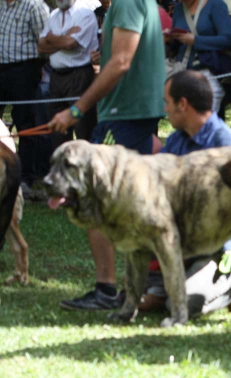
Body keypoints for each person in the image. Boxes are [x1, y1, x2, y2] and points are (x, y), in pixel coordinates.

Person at [48, 0, 166, 311]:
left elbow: (121, 61)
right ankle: (148, 283)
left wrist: (77, 108)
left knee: (92, 198)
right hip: (129, 113)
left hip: (125, 114)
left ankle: (107, 288)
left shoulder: (127, 2)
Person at [139, 70, 231, 315]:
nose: (165, 109)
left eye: (168, 103)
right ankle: (161, 286)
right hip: (189, 243)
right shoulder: (176, 141)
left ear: (183, 104)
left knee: (184, 304)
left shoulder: (228, 146)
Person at [0, 0, 49, 187]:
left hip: (24, 70)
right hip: (1, 69)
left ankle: (24, 178)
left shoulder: (35, 6)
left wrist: (34, 69)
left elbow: (45, 44)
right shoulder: (2, 5)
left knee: (25, 124)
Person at [38, 0, 99, 151]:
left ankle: (88, 173)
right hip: (56, 77)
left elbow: (71, 44)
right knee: (58, 131)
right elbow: (40, 46)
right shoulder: (53, 15)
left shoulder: (85, 14)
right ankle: (63, 170)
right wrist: (65, 37)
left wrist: (52, 37)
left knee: (84, 131)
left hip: (79, 77)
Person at [169, 0, 231, 113]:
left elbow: (229, 39)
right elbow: (176, 46)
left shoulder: (215, 5)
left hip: (208, 72)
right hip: (183, 73)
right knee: (184, 121)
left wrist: (196, 41)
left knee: (203, 121)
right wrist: (170, 38)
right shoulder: (178, 9)